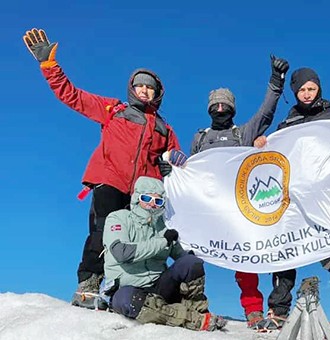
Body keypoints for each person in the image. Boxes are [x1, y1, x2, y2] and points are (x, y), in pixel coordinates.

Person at [22, 28, 188, 309]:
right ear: (132, 88)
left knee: (140, 238)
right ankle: (89, 283)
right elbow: (72, 96)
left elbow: (176, 158)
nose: (145, 90)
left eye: (150, 87)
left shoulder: (164, 128)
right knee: (103, 231)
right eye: (140, 85)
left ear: (158, 93)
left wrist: (171, 163)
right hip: (109, 179)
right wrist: (49, 65)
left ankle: (127, 287)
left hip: (142, 195)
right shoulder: (114, 110)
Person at [254, 67, 330, 339]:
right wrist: (263, 143)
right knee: (284, 250)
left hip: (327, 202)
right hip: (294, 203)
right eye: (301, 90)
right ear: (295, 93)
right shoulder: (287, 125)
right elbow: (274, 160)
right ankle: (278, 312)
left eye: (311, 88)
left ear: (319, 88)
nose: (307, 94)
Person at [190, 54, 290, 327]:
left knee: (244, 259)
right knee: (191, 256)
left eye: (225, 106)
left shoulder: (242, 134)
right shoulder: (200, 139)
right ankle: (191, 304)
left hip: (238, 208)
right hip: (207, 209)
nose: (220, 109)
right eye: (215, 106)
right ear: (209, 109)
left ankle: (253, 309)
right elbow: (190, 173)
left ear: (232, 109)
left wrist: (276, 81)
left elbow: (266, 113)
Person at [103, 176, 226, 332]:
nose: (152, 204)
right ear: (136, 198)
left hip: (160, 286)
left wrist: (198, 250)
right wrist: (162, 241)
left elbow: (182, 257)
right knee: (127, 300)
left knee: (191, 262)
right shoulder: (118, 218)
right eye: (146, 198)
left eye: (158, 201)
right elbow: (122, 253)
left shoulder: (163, 226)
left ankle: (198, 310)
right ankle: (192, 320)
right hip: (129, 288)